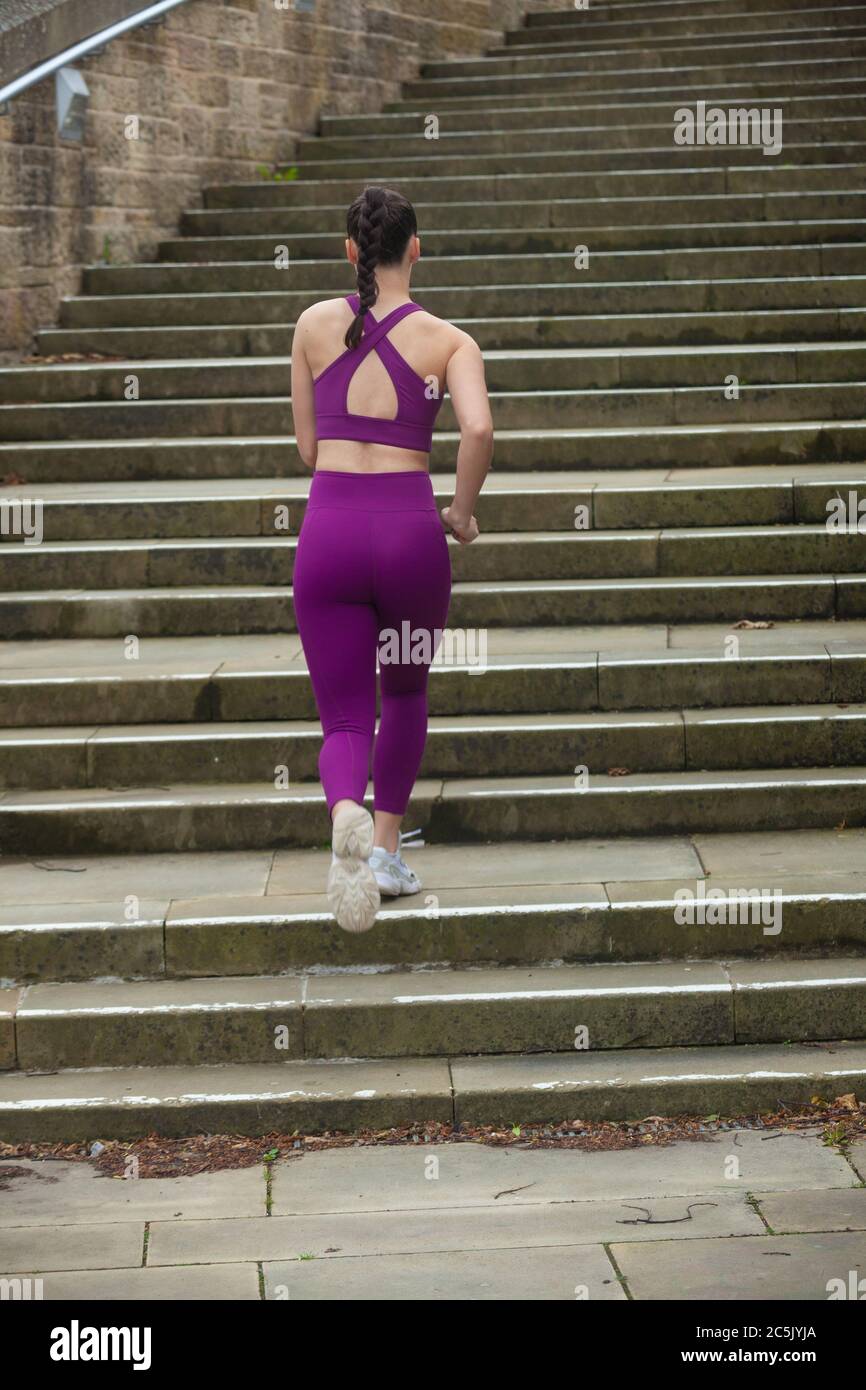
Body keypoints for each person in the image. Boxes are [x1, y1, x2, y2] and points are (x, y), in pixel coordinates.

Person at [290, 185, 493, 932]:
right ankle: (381, 848)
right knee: (404, 693)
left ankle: (343, 807)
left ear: (351, 253)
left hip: (331, 533)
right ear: (416, 249)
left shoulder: (313, 326)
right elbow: (477, 431)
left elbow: (310, 448)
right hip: (409, 534)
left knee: (344, 718)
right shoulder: (450, 341)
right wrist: (461, 515)